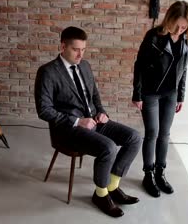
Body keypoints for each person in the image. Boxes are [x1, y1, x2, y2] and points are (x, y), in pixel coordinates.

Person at [35, 26, 142, 217]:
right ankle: (100, 195)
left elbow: (94, 95)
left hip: (95, 121)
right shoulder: (47, 72)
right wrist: (77, 121)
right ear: (62, 46)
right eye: (76, 49)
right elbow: (44, 110)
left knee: (134, 137)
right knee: (108, 147)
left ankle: (112, 186)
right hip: (68, 129)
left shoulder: (85, 65)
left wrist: (101, 112)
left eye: (83, 49)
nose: (80, 54)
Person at [132, 0, 188, 198]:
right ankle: (148, 175)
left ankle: (160, 172)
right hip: (151, 92)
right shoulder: (154, 36)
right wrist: (137, 94)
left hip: (171, 94)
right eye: (177, 25)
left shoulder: (187, 40)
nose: (180, 29)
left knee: (165, 134)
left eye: (184, 26)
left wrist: (181, 96)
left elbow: (183, 69)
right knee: (152, 133)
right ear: (169, 19)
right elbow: (139, 66)